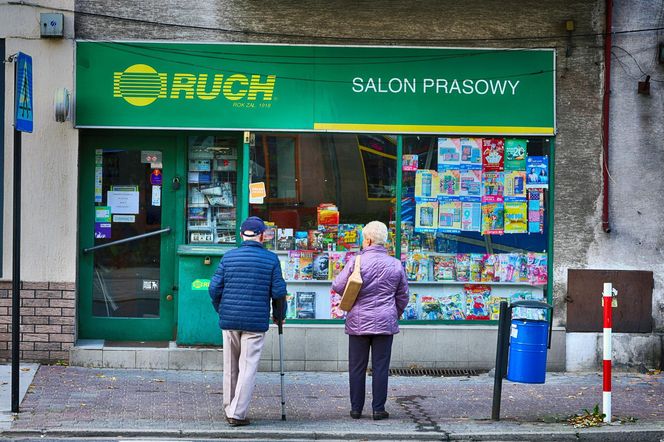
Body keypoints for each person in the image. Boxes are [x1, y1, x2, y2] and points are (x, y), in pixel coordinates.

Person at [209, 216, 287, 427]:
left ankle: (230, 407)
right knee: (247, 367)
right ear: (262, 236)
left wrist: (221, 310)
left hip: (230, 320)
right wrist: (279, 316)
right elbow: (279, 293)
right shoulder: (271, 260)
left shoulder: (229, 257)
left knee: (230, 366)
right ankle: (236, 412)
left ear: (242, 235)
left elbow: (214, 289)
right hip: (254, 323)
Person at [332, 221, 409, 421]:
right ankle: (378, 409)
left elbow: (338, 285)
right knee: (381, 367)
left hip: (358, 322)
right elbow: (403, 296)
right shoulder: (395, 264)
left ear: (367, 240)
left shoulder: (356, 262)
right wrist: (393, 313)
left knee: (357, 367)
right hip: (385, 322)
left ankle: (356, 409)